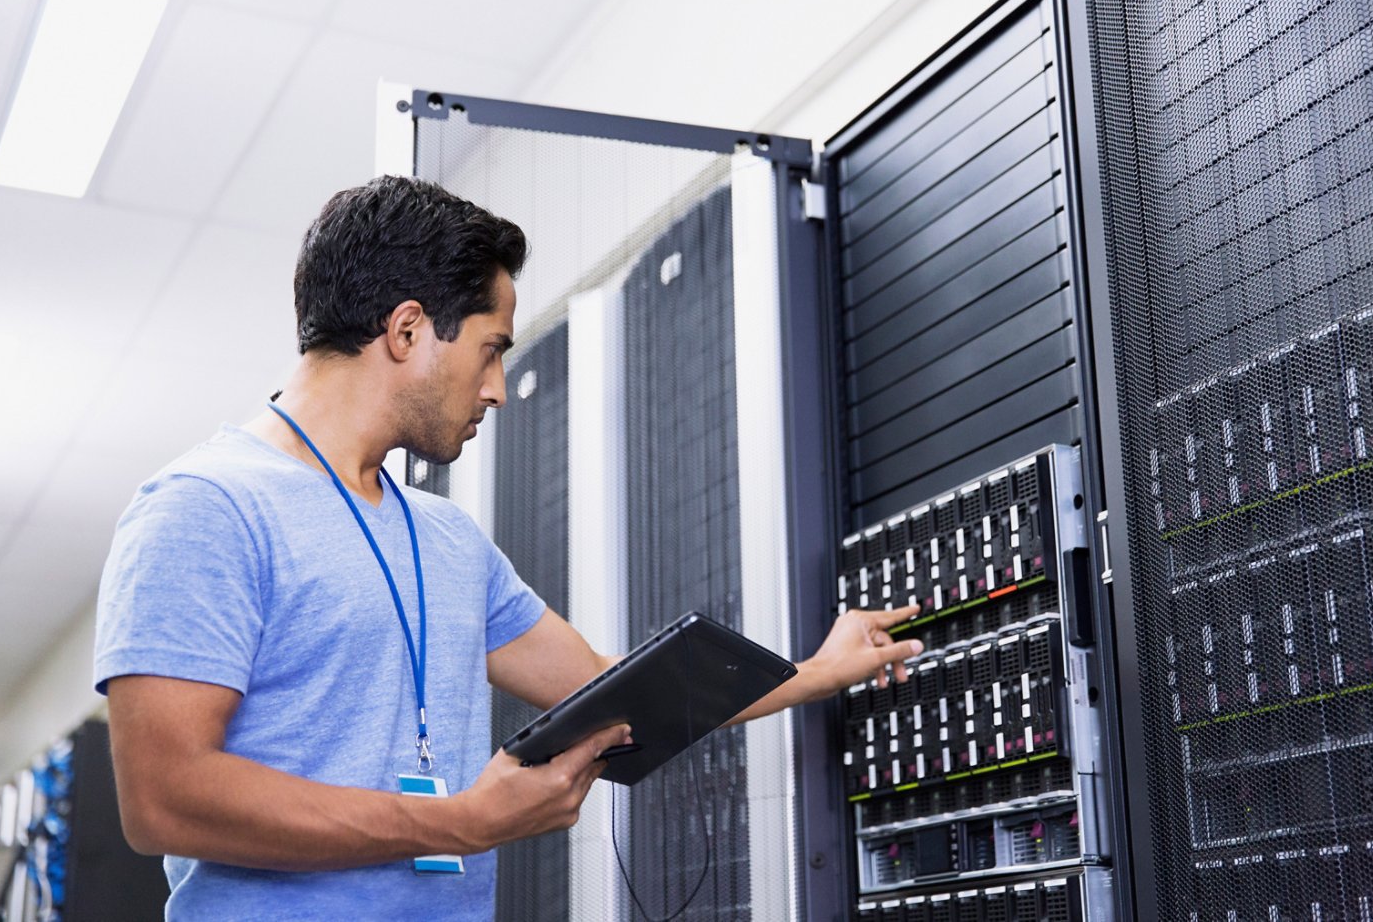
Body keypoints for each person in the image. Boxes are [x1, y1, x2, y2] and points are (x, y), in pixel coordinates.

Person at [94, 175, 922, 920]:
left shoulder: (446, 536)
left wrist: (818, 671)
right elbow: (165, 799)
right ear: (408, 330)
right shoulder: (205, 508)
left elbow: (614, 690)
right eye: (490, 350)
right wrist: (459, 821)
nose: (496, 389)